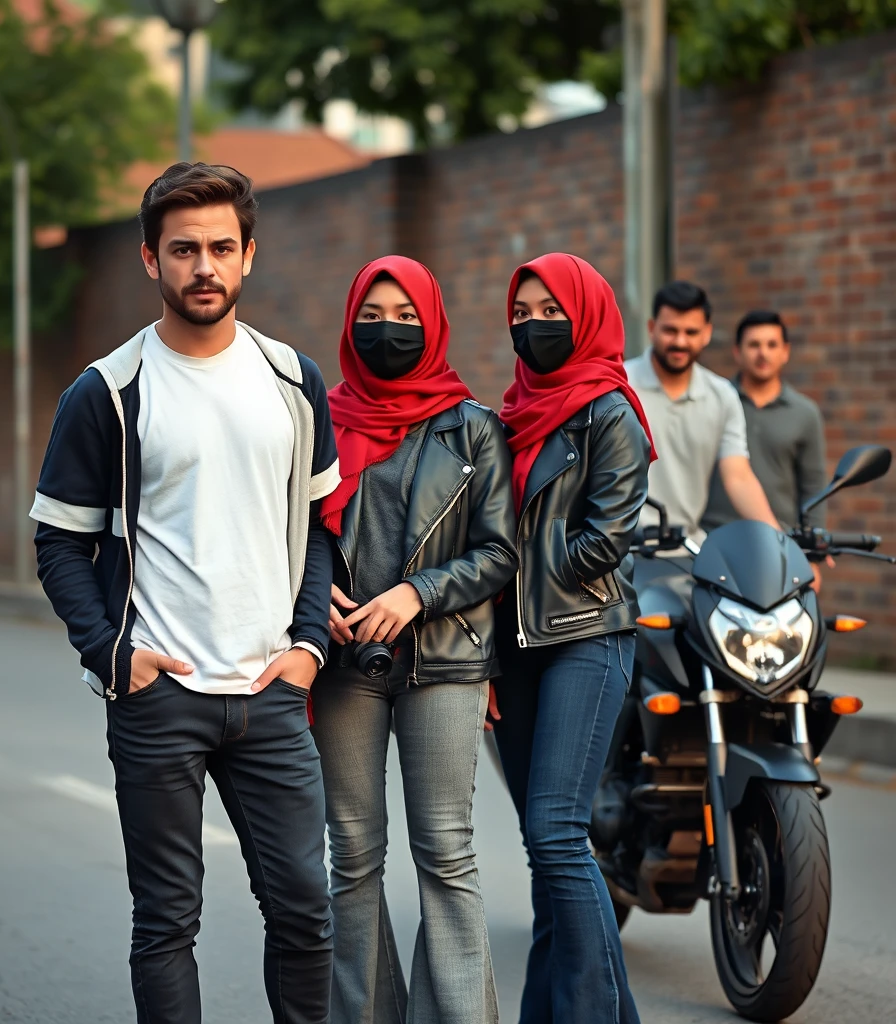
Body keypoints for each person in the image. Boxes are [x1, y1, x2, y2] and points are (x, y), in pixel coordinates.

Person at [30, 163, 339, 1024]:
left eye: (220, 249)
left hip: (271, 694)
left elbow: (317, 526)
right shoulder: (108, 391)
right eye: (183, 250)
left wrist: (309, 645)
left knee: (307, 914)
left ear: (248, 257)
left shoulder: (293, 381)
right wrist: (112, 653)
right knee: (167, 923)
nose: (203, 266)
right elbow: (59, 539)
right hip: (159, 695)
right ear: (149, 260)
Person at [313, 255, 518, 1024]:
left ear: (431, 325)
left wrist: (415, 593)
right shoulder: (319, 422)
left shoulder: (472, 428)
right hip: (343, 662)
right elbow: (292, 534)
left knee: (446, 853)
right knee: (354, 859)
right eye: (372, 317)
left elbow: (499, 551)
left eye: (405, 319)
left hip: (446, 660)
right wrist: (312, 605)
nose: (388, 332)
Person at [492, 253, 655, 1024]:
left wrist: (510, 566)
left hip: (587, 634)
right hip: (518, 646)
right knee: (542, 845)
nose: (532, 324)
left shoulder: (609, 411)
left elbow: (605, 540)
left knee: (557, 831)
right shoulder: (513, 410)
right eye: (521, 311)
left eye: (549, 310)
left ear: (584, 313)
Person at [624, 281, 780, 545]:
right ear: (652, 329)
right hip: (622, 553)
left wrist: (779, 541)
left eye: (691, 331)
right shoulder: (620, 385)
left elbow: (738, 476)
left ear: (707, 333)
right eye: (670, 331)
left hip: (687, 550)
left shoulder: (722, 396)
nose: (680, 341)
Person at [702, 309, 827, 534]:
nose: (763, 354)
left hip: (777, 537)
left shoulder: (804, 412)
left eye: (771, 345)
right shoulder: (714, 401)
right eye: (754, 345)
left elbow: (813, 487)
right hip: (711, 536)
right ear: (737, 352)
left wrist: (813, 551)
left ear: (785, 352)